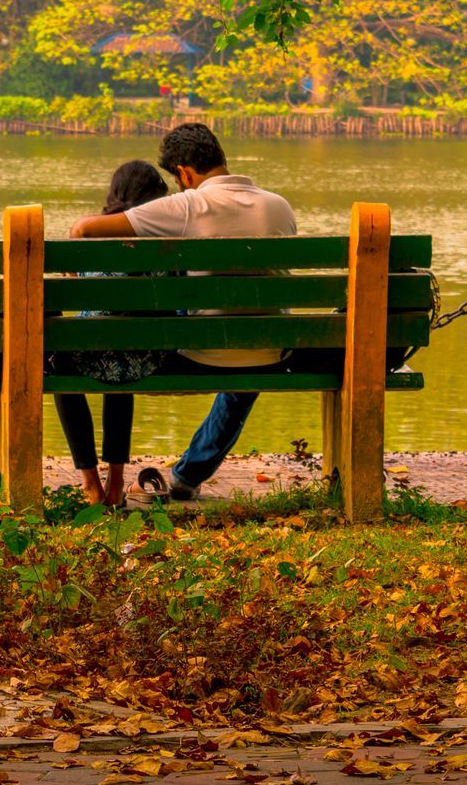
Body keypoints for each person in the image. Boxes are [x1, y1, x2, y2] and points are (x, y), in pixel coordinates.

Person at [68, 123, 296, 500]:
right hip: (271, 353)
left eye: (178, 181)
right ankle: (188, 477)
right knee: (243, 375)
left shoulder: (187, 205)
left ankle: (144, 478)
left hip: (200, 355)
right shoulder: (279, 205)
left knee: (150, 343)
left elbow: (85, 229)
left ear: (185, 173)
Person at [48, 159, 172, 507]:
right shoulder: (166, 234)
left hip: (94, 351)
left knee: (63, 365)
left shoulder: (93, 234)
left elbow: (77, 282)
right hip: (151, 356)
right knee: (123, 356)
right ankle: (116, 481)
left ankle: (90, 483)